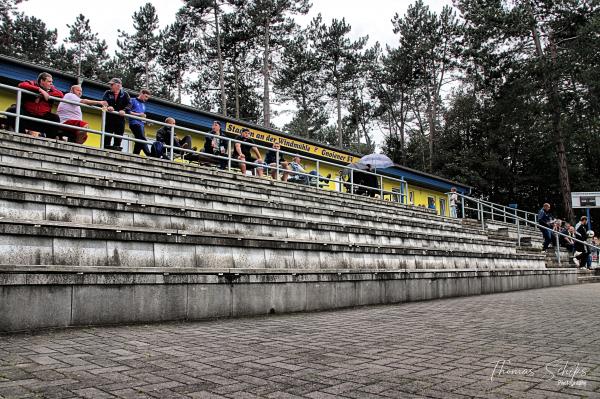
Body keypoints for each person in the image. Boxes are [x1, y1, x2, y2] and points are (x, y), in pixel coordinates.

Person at [17, 72, 64, 138]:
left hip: (42, 117)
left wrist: (44, 95)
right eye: (49, 81)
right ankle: (20, 135)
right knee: (12, 110)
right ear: (42, 81)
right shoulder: (31, 83)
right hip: (27, 115)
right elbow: (21, 85)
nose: (51, 83)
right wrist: (39, 90)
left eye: (52, 81)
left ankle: (50, 141)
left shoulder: (51, 88)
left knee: (55, 118)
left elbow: (60, 94)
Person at [102, 78, 131, 151]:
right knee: (107, 135)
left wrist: (124, 110)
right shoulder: (107, 93)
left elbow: (129, 105)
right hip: (109, 118)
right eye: (110, 84)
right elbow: (103, 102)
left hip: (120, 119)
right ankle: (105, 149)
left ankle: (116, 151)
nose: (110, 86)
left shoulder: (125, 94)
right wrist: (108, 107)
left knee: (118, 136)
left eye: (112, 84)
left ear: (118, 86)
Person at [128, 89, 152, 156]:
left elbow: (142, 115)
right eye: (146, 96)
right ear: (141, 93)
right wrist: (139, 115)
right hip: (134, 123)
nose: (146, 99)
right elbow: (128, 111)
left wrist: (146, 121)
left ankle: (135, 154)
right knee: (142, 138)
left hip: (141, 124)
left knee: (139, 139)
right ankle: (148, 153)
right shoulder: (132, 100)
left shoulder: (143, 105)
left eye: (148, 97)